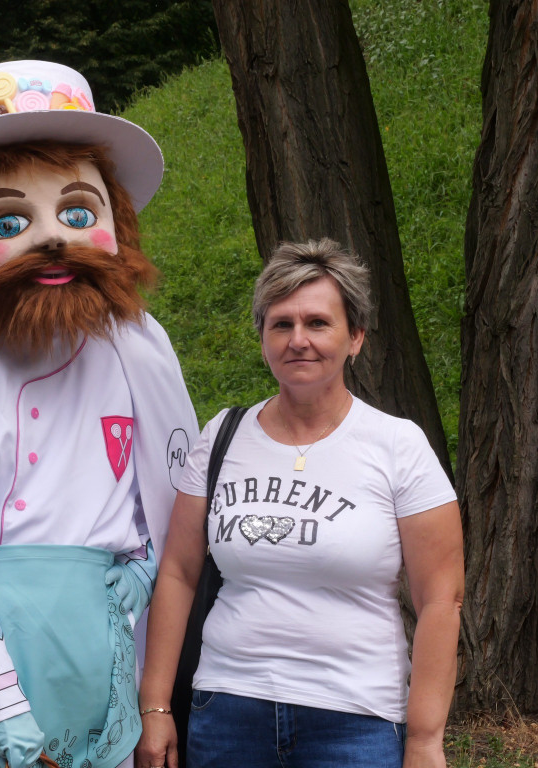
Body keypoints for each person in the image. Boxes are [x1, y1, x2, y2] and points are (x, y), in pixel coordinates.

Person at [0, 60, 199, 768]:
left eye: (78, 213)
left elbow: (173, 490)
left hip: (108, 642)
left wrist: (142, 575)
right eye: (9, 220)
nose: (51, 239)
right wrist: (1, 702)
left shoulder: (137, 345)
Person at [136, 238, 464, 768]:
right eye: (281, 324)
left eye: (318, 323)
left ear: (354, 337)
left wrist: (425, 740)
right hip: (227, 712)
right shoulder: (223, 435)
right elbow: (177, 572)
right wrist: (155, 706)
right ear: (263, 338)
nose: (298, 340)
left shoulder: (398, 446)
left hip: (355, 722)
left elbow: (440, 600)